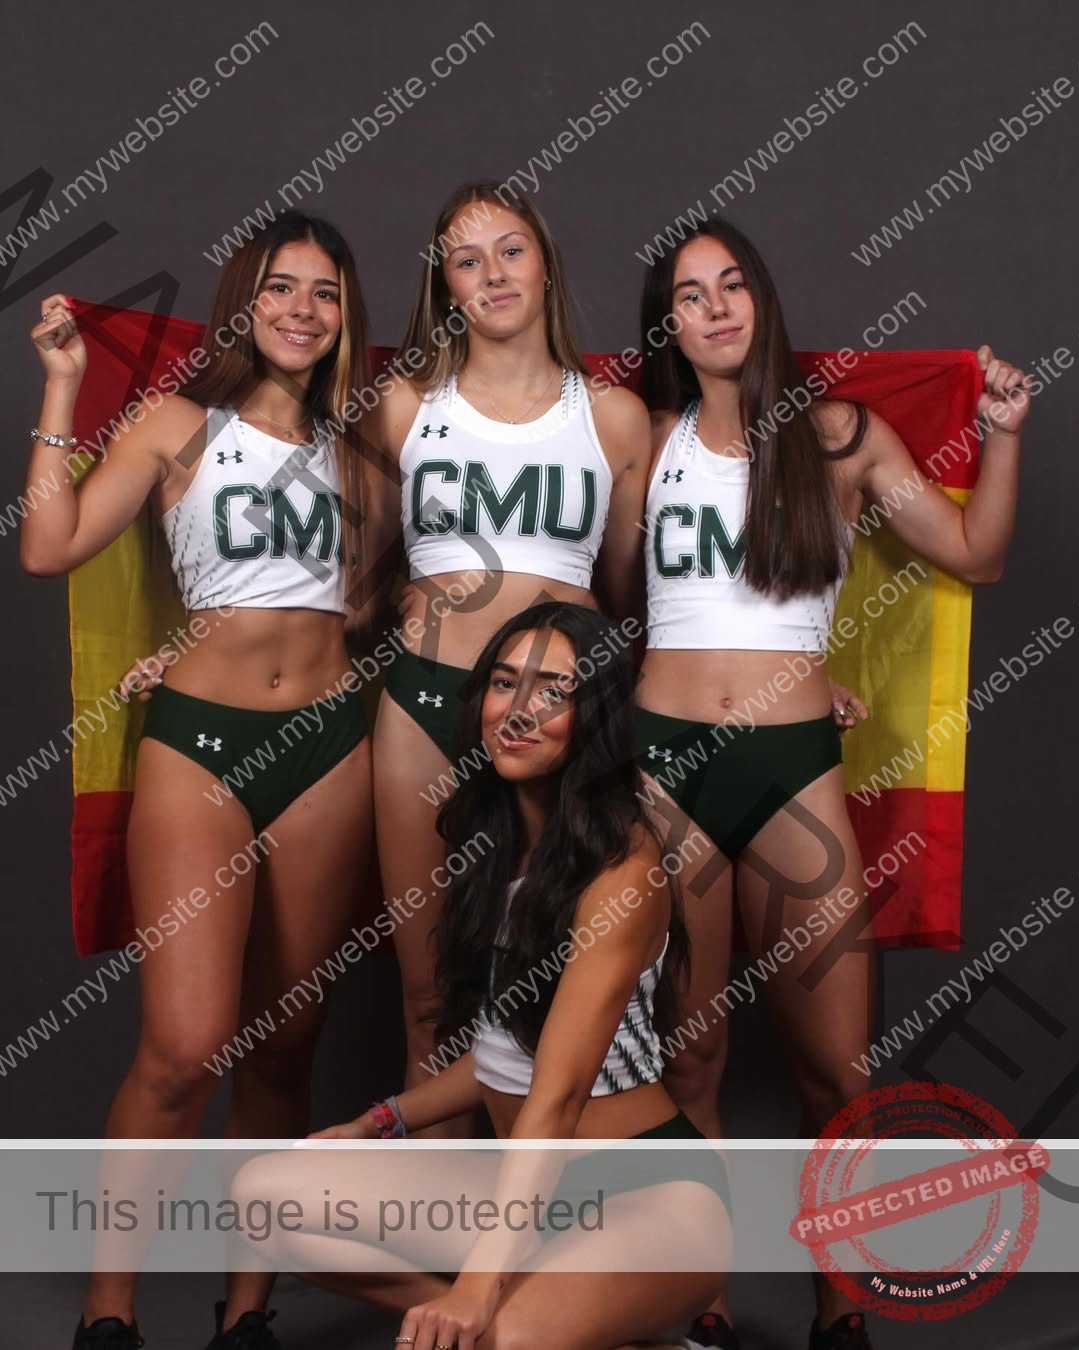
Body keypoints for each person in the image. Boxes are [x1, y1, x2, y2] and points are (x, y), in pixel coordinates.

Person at [632, 220, 1028, 1350]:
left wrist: (999, 436)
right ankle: (697, 1300)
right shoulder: (644, 440)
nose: (714, 306)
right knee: (689, 1055)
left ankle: (839, 1311)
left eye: (732, 282)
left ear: (762, 296)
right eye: (688, 294)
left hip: (792, 771)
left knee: (835, 1068)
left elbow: (975, 555)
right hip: (665, 770)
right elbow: (596, 602)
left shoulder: (839, 435)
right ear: (667, 323)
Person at [20, 212, 375, 1350]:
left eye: (324, 293)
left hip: (331, 744)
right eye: (280, 287)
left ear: (343, 316)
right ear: (245, 302)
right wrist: (64, 390)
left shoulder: (367, 448)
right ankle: (109, 1312)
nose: (301, 309)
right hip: (203, 746)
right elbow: (49, 545)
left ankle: (247, 1313)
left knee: (287, 1038)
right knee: (183, 1045)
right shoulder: (177, 425)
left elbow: (416, 591)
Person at [231, 601, 731, 1350]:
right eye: (505, 683)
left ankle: (525, 1315)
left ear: (593, 718)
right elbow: (505, 1052)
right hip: (529, 1191)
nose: (520, 710)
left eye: (554, 692)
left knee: (487, 1340)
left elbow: (557, 1094)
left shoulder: (623, 869)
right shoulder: (501, 849)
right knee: (261, 1197)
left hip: (647, 1196)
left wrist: (474, 1292)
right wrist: (379, 1122)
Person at [361, 182, 651, 1111]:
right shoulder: (404, 404)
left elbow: (627, 596)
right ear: (445, 286)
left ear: (546, 262)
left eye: (511, 249)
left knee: (551, 993)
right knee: (429, 996)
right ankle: (450, 1252)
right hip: (426, 698)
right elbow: (348, 576)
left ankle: (545, 1239)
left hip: (557, 710)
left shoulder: (611, 416)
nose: (492, 274)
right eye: (466, 258)